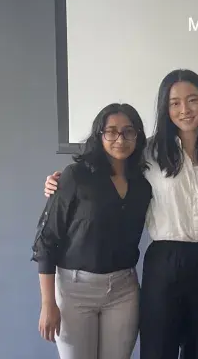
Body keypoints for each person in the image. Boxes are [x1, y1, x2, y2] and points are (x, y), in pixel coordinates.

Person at [43, 69, 198, 359]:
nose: (185, 109)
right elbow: (105, 167)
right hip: (165, 259)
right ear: (165, 107)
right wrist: (56, 184)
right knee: (158, 349)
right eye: (174, 102)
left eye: (192, 99)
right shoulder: (148, 152)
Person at [32, 103, 152, 359]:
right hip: (75, 291)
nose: (120, 139)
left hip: (124, 291)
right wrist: (47, 303)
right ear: (99, 136)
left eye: (129, 131)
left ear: (138, 136)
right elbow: (46, 241)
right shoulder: (75, 176)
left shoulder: (143, 184)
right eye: (111, 131)